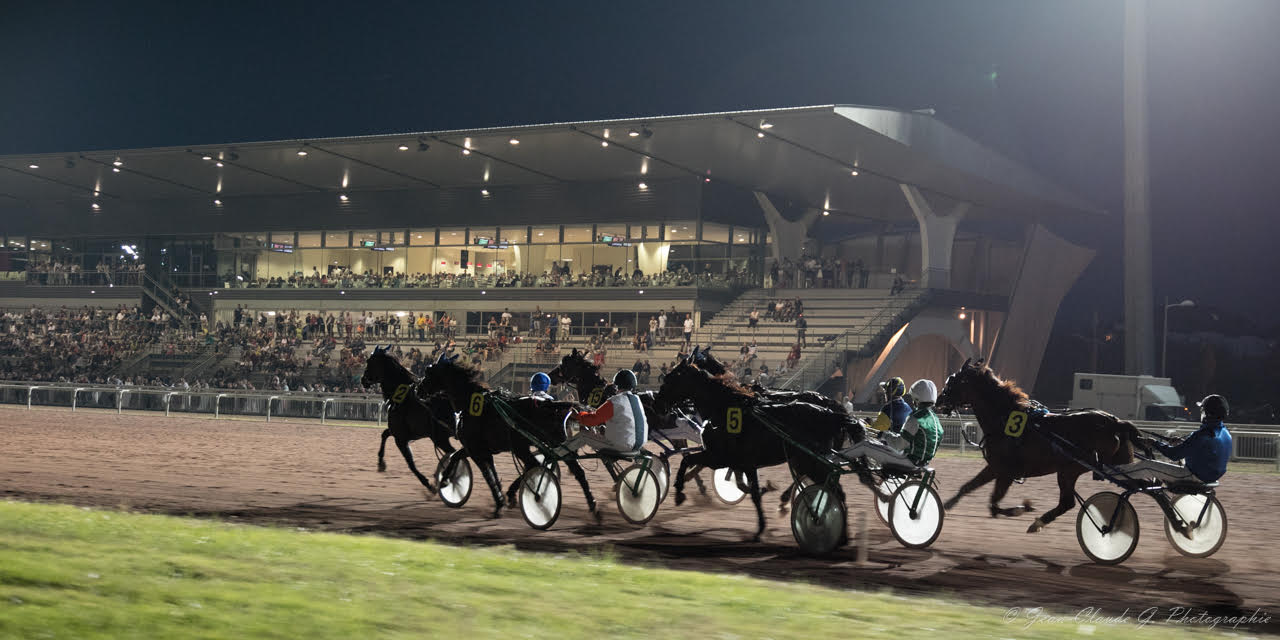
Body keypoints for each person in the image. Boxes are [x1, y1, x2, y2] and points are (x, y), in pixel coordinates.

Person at [1121, 394, 1233, 485]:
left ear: (1207, 413)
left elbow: (1174, 454)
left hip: (1194, 476)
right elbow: (1205, 449)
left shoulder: (1202, 435)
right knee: (1166, 463)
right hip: (1210, 475)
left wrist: (1154, 443)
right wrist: (1182, 443)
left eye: (1202, 410)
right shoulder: (1225, 432)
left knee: (1148, 465)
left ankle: (1117, 474)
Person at [558, 369, 647, 455]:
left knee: (583, 435)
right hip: (639, 443)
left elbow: (593, 420)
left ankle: (556, 454)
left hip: (622, 445)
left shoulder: (615, 401)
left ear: (617, 385)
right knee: (603, 430)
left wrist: (577, 416)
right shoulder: (637, 399)